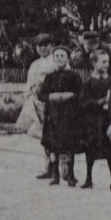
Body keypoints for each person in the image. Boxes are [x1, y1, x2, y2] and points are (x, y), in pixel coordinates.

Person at [38, 44, 83, 187]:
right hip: (53, 115)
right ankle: (55, 175)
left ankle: (70, 174)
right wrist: (52, 96)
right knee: (53, 146)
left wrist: (70, 95)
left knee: (69, 145)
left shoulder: (74, 76)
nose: (59, 58)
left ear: (67, 59)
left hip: (69, 116)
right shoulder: (49, 76)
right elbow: (41, 95)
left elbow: (81, 94)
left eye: (62, 56)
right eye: (56, 56)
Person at [79, 48, 111, 189]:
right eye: (103, 62)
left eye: (108, 61)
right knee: (90, 150)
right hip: (93, 121)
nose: (107, 64)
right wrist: (99, 102)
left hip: (108, 120)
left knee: (110, 150)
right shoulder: (88, 82)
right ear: (94, 63)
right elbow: (83, 102)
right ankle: (89, 178)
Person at [23, 34, 58, 178]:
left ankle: (61, 168)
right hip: (39, 103)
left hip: (54, 101)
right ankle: (47, 166)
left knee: (57, 134)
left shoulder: (57, 61)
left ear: (51, 45)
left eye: (46, 45)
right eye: (39, 46)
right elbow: (29, 83)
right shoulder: (35, 65)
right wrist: (29, 97)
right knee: (44, 137)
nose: (43, 48)